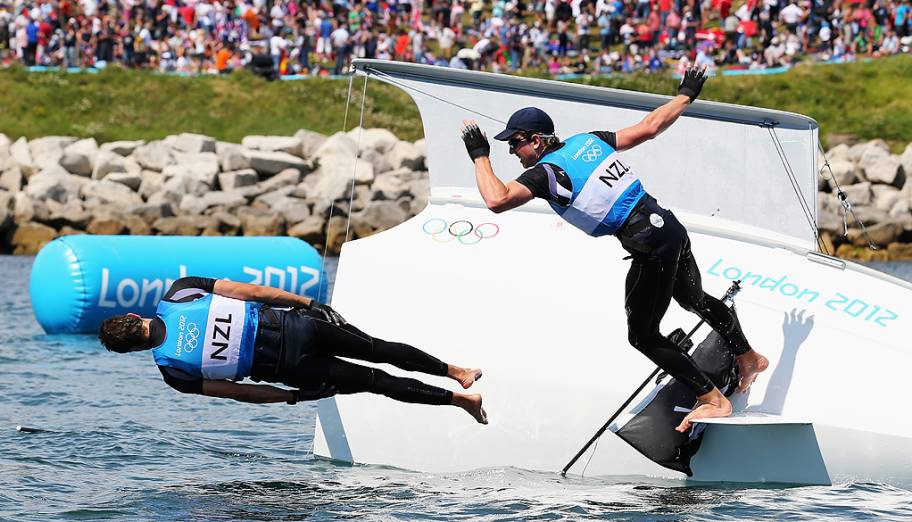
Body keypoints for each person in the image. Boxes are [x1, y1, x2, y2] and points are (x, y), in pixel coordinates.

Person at [458, 66, 768, 432]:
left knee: (642, 334)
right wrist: (686, 94)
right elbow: (651, 127)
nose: (512, 151)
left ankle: (711, 399)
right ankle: (748, 358)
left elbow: (497, 199)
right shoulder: (589, 141)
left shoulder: (546, 173)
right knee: (693, 298)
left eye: (516, 143)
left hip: (650, 246)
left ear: (537, 140)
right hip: (669, 228)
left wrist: (480, 156)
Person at [99, 277, 487, 424]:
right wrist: (305, 302)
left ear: (132, 350)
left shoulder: (174, 373)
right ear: (135, 315)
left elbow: (243, 393)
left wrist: (294, 397)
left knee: (376, 382)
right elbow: (250, 292)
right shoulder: (181, 291)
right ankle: (456, 369)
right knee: (378, 349)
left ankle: (460, 400)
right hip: (297, 327)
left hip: (291, 368)